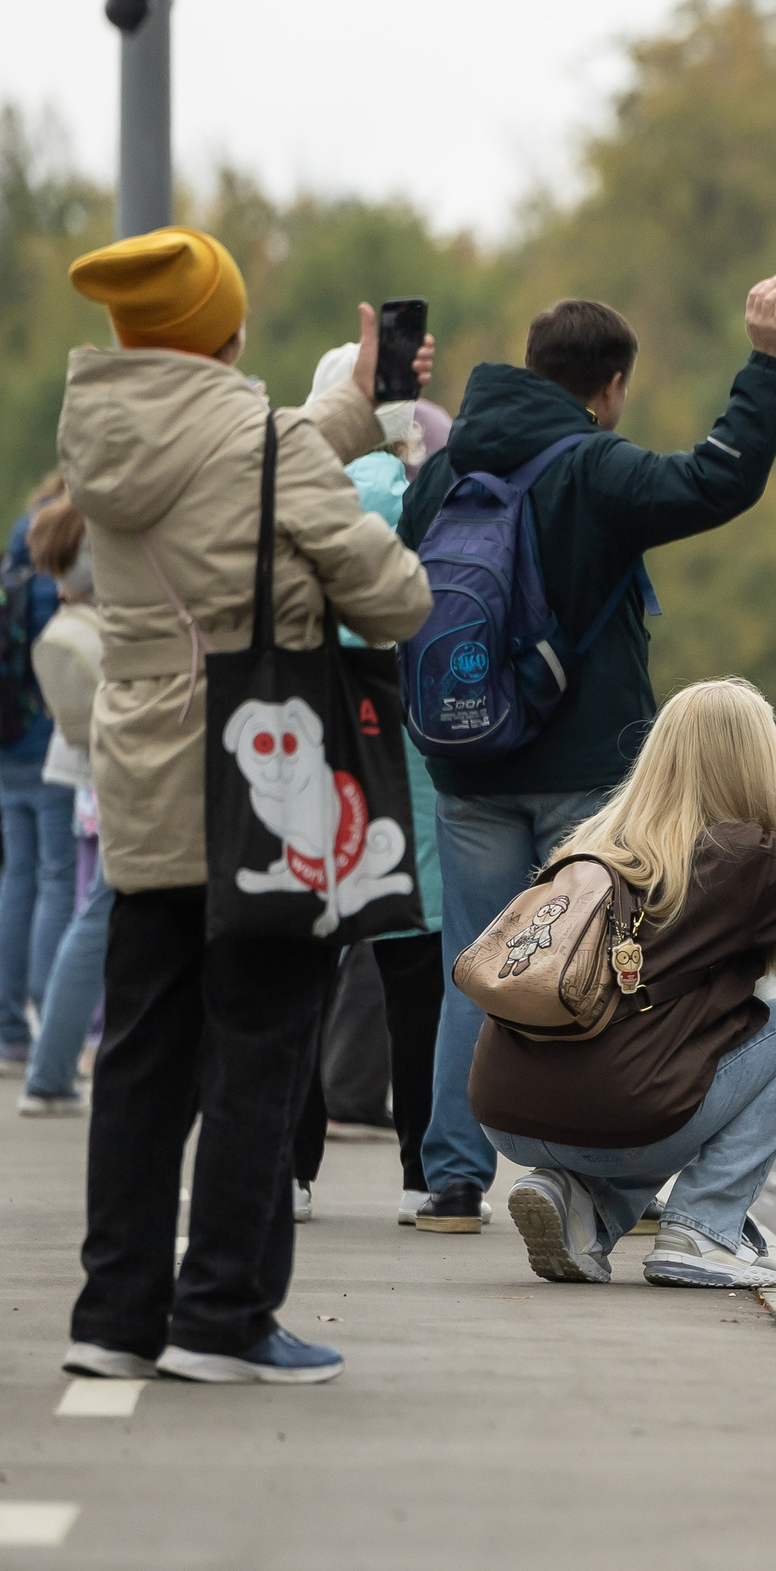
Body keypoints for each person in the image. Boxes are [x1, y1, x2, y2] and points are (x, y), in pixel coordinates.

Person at [58, 225, 433, 1384]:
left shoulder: (100, 437)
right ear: (225, 330)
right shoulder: (264, 444)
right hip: (262, 788)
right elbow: (396, 596)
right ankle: (221, 1313)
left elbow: (243, 460)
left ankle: (115, 1316)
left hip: (144, 777)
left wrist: (349, 408)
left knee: (141, 1057)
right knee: (261, 1047)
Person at [397, 278, 776, 1236]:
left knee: (476, 964)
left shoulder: (444, 474)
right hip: (590, 773)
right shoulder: (596, 467)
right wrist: (768, 364)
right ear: (609, 386)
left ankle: (451, 1182)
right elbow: (717, 480)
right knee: (605, 961)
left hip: (467, 760)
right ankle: (598, 1171)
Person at [481, 659, 776, 1288]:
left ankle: (581, 1202)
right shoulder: (741, 856)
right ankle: (702, 1229)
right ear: (754, 766)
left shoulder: (591, 842)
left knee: (659, 1067)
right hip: (613, 1119)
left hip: (508, 1113)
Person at [285, 343, 452, 1223]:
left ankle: (293, 1165)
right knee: (413, 973)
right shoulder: (420, 498)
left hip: (313, 734)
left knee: (305, 963)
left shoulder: (291, 494)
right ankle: (427, 1170)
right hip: (407, 744)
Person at [17, 499, 103, 1117]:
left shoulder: (61, 606)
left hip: (82, 777)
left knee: (81, 900)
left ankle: (50, 1067)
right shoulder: (102, 599)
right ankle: (49, 1072)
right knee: (95, 908)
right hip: (114, 776)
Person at [0, 476, 73, 1073]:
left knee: (16, 878)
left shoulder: (18, 548)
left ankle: (7, 1030)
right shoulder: (66, 569)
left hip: (6, 744)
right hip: (50, 746)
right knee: (57, 880)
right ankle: (53, 1027)